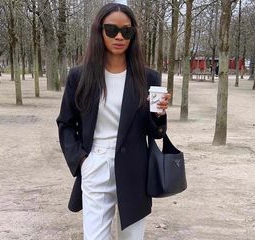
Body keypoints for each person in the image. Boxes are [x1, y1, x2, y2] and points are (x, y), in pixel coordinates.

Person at [57, 3, 171, 240]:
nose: (119, 36)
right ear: (99, 31)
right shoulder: (79, 76)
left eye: (126, 31)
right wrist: (81, 161)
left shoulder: (148, 77)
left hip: (135, 166)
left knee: (131, 237)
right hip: (95, 163)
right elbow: (66, 123)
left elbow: (155, 132)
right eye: (111, 30)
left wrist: (159, 114)